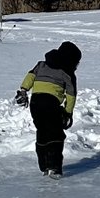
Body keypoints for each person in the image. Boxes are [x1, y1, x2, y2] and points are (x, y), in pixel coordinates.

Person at [15, 41, 81, 178]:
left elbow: (30, 76)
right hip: (51, 104)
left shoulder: (41, 65)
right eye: (77, 62)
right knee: (56, 134)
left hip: (35, 103)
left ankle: (44, 166)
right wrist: (68, 113)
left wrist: (23, 90)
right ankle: (54, 167)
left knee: (42, 132)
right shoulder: (68, 73)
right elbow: (71, 95)